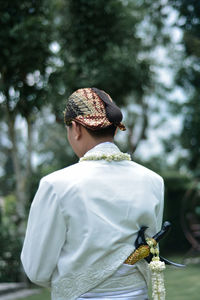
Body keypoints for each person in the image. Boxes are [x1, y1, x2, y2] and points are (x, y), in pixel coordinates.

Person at [21, 87, 164, 300]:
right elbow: (149, 246)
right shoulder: (153, 181)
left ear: (76, 128)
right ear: (114, 130)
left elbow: (36, 270)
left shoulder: (55, 185)